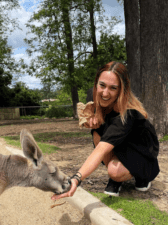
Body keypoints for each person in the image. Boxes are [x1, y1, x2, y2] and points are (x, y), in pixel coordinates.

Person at [52, 61, 159, 201]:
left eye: (113, 88)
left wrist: (76, 179)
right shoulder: (94, 94)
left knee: (114, 171)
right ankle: (117, 180)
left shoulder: (127, 114)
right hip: (122, 146)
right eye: (102, 85)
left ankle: (141, 176)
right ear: (96, 83)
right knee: (97, 131)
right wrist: (91, 117)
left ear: (121, 90)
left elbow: (101, 150)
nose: (105, 93)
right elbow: (89, 113)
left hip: (142, 153)